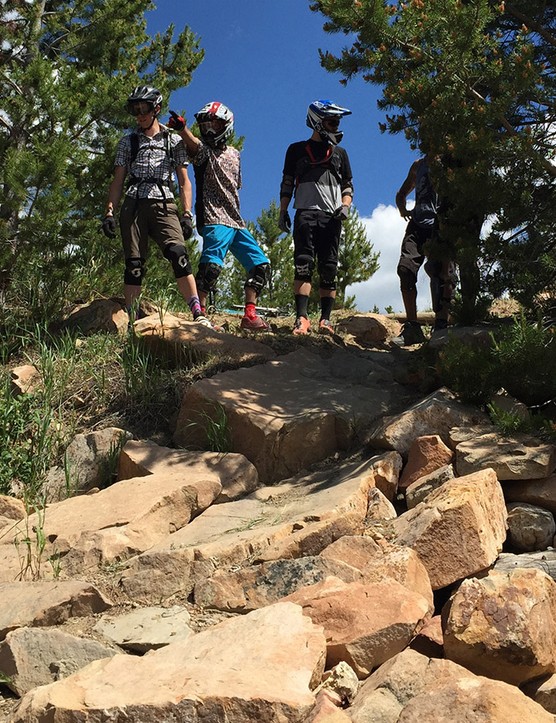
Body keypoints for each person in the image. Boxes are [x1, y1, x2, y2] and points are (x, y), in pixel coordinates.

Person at [101, 85, 213, 328]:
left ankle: (197, 311)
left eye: (144, 108)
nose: (140, 114)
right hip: (133, 202)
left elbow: (184, 180)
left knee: (178, 254)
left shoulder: (173, 140)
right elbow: (118, 179)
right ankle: (132, 318)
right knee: (134, 263)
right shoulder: (127, 142)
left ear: (156, 109)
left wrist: (186, 213)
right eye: (135, 109)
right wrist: (109, 211)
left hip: (163, 200)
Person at [166, 102, 270, 331]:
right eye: (205, 125)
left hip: (236, 220)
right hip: (213, 217)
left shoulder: (235, 154)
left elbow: (236, 186)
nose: (210, 129)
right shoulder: (204, 152)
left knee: (260, 265)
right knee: (211, 268)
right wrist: (182, 128)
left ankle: (250, 315)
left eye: (214, 124)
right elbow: (193, 145)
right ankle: (200, 315)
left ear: (226, 125)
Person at [278, 99, 353, 335]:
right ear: (318, 122)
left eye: (337, 122)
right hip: (305, 213)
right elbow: (287, 182)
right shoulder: (296, 150)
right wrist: (282, 211)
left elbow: (348, 185)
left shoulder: (340, 153)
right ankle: (301, 318)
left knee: (329, 267)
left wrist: (345, 206)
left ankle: (326, 320)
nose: (336, 127)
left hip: (331, 216)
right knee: (303, 264)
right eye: (331, 122)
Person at [395, 155, 457, 345]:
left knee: (441, 272)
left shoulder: (451, 162)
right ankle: (412, 327)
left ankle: (441, 324)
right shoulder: (418, 165)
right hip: (417, 224)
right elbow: (403, 191)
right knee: (405, 269)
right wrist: (402, 207)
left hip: (441, 224)